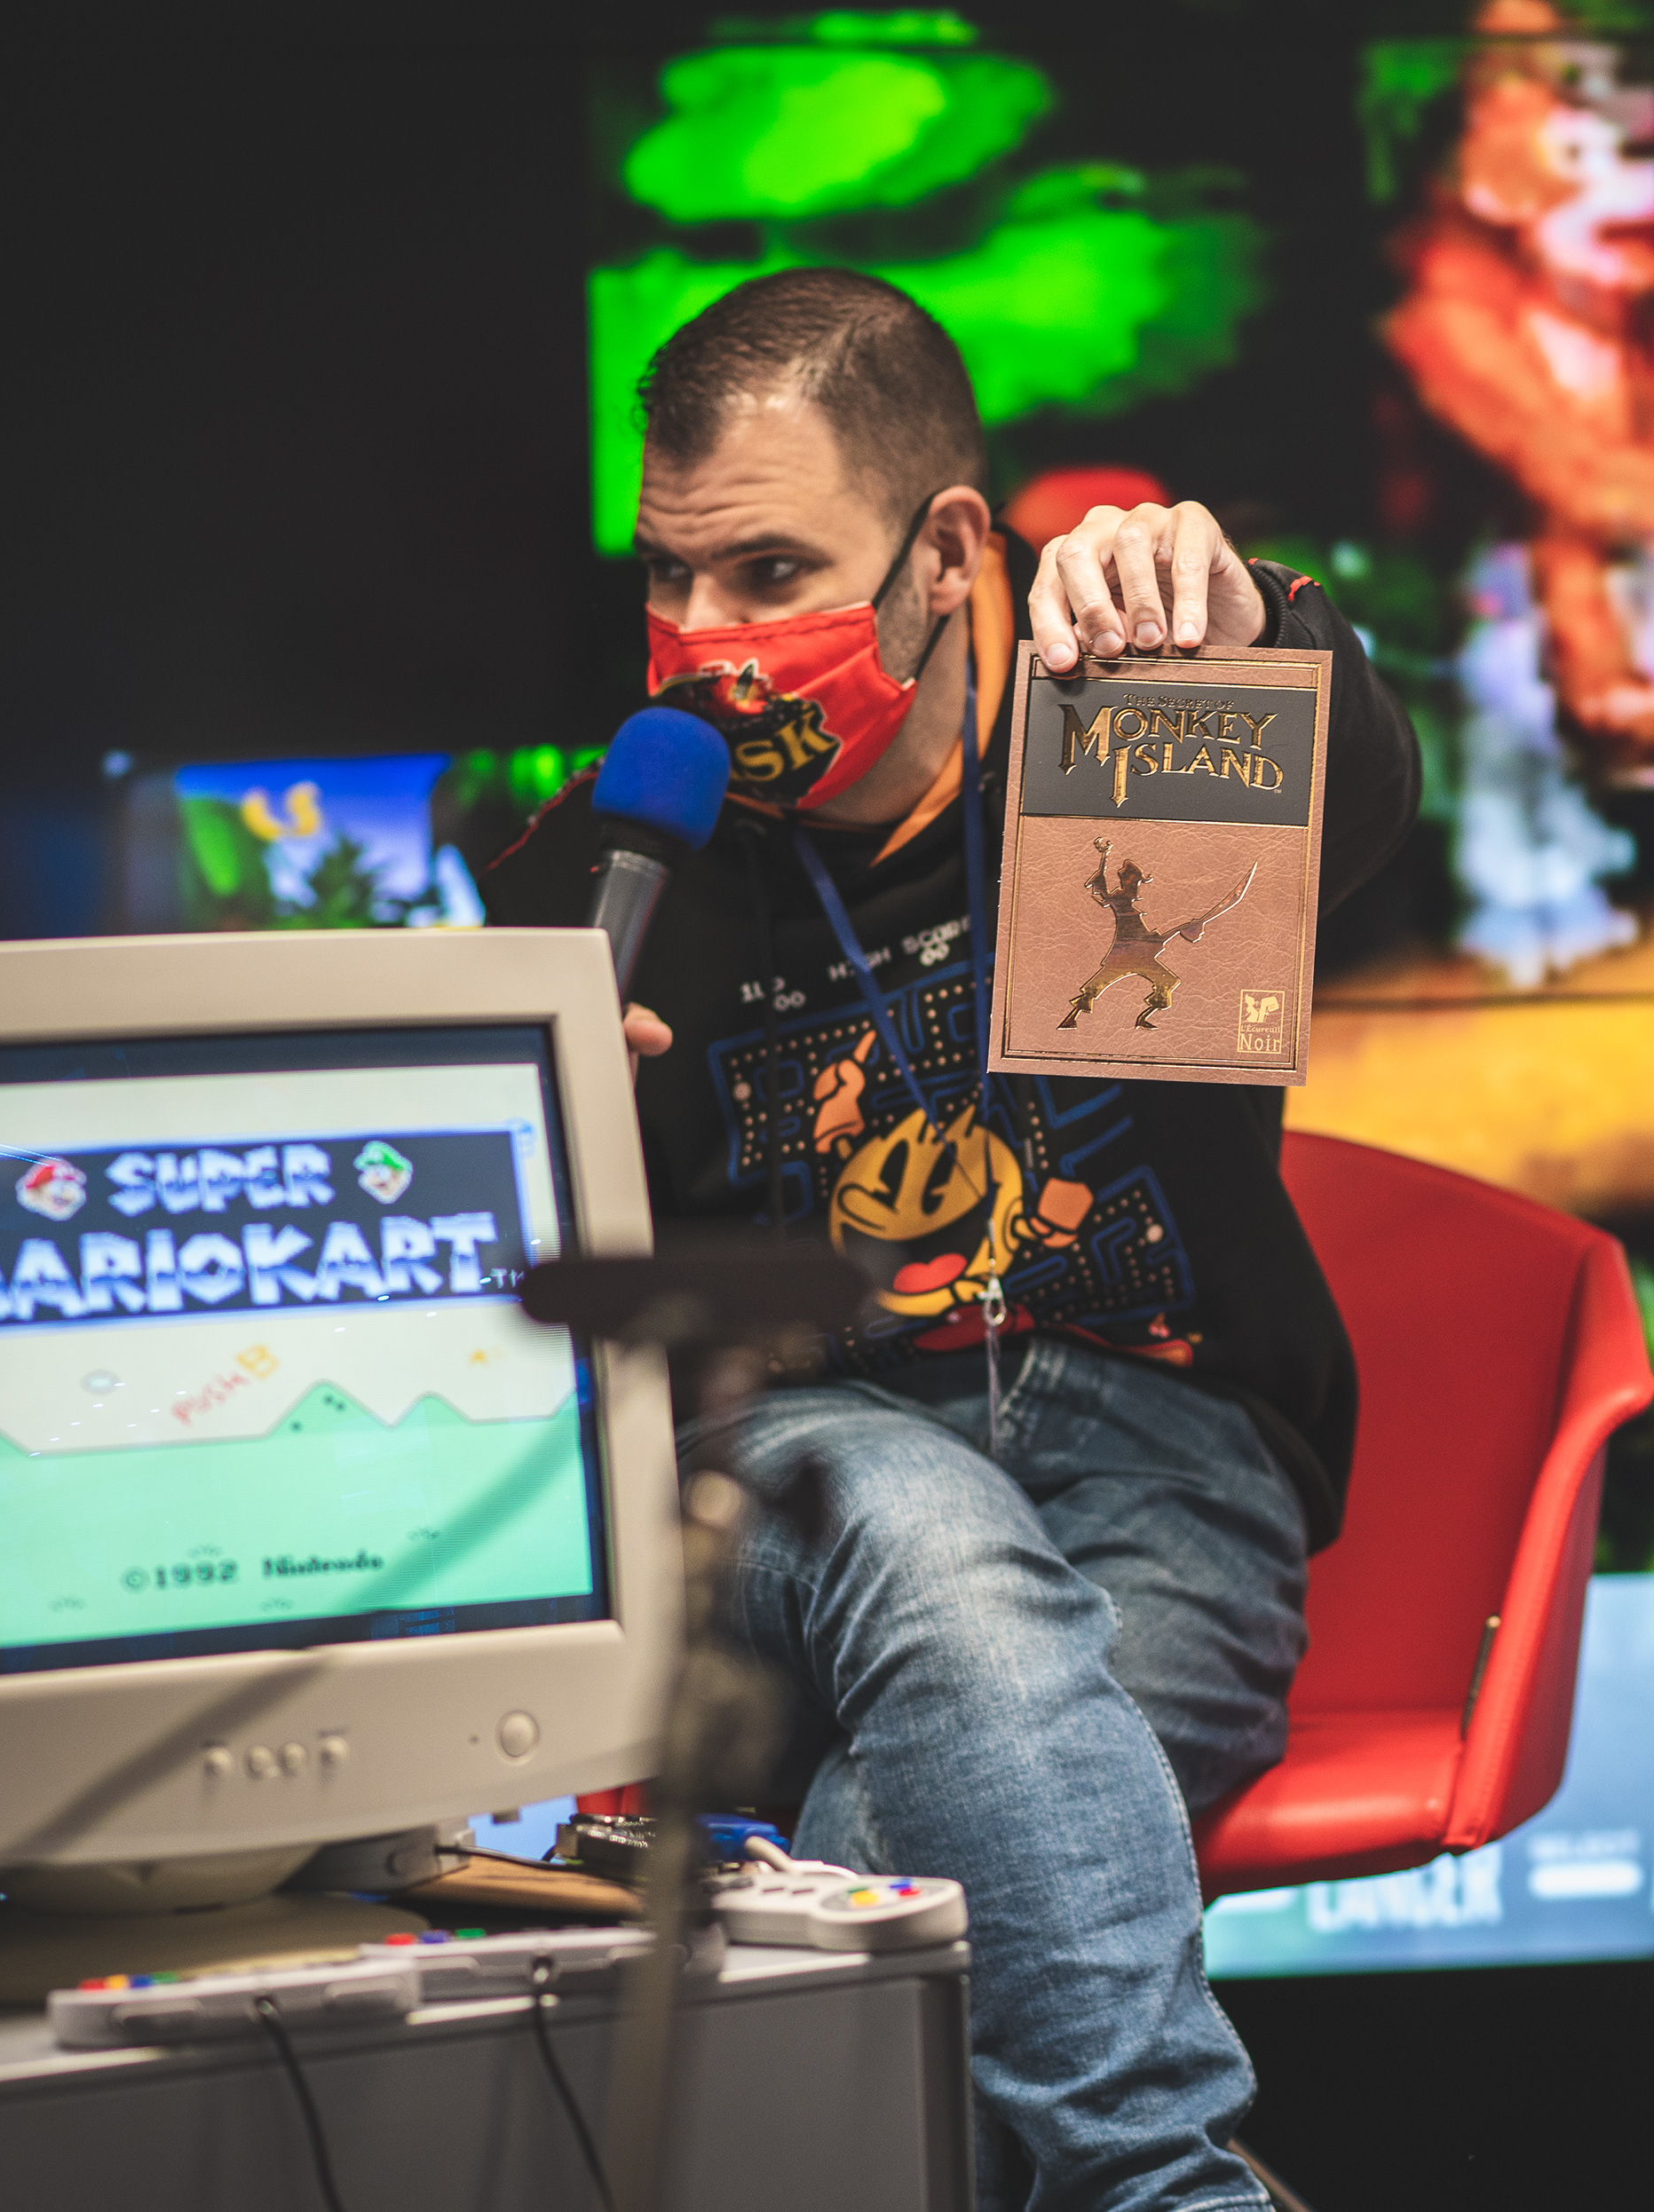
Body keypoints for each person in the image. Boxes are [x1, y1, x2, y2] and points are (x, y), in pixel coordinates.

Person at [484, 268, 1419, 2212]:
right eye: (668, 578)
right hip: (794, 1468)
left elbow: (1374, 791)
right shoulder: (614, 869)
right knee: (916, 1515)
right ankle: (1174, 2189)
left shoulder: (1130, 735)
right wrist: (547, 1142)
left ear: (945, 552)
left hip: (1159, 1465)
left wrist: (1258, 631)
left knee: (891, 1877)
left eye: (768, 574)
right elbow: (519, 1334)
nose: (704, 641)